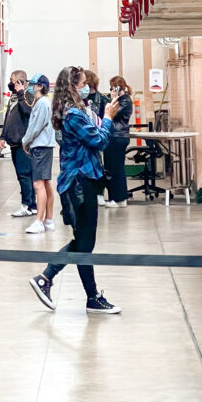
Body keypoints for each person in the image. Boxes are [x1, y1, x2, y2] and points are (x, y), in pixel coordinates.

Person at [28, 65, 121, 314]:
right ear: (73, 87)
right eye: (82, 85)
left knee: (83, 242)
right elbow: (99, 140)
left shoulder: (75, 111)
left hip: (81, 181)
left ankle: (50, 280)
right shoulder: (74, 115)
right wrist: (109, 118)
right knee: (84, 243)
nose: (87, 89)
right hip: (80, 184)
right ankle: (81, 293)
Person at [21, 74, 56, 234]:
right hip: (44, 146)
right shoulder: (42, 103)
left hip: (41, 147)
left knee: (38, 184)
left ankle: (39, 221)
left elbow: (35, 127)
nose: (30, 87)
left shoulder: (42, 103)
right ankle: (48, 220)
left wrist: (25, 140)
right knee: (45, 183)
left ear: (40, 86)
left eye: (33, 84)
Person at [0, 69, 36, 217]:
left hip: (23, 143)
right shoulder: (13, 98)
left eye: (12, 81)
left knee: (25, 174)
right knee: (22, 175)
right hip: (13, 141)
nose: (10, 83)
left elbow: (27, 111)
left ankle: (28, 204)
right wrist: (3, 136)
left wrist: (21, 94)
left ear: (20, 82)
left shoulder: (27, 95)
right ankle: (30, 204)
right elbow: (8, 117)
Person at [104, 76, 134, 208]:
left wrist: (113, 99)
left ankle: (119, 198)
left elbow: (113, 114)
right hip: (112, 136)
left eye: (113, 88)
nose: (111, 90)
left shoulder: (125, 100)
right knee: (111, 168)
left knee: (117, 168)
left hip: (118, 136)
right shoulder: (121, 100)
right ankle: (115, 197)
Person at [83, 69, 109, 209]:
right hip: (84, 135)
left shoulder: (102, 99)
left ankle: (99, 193)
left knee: (98, 165)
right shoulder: (80, 99)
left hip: (97, 135)